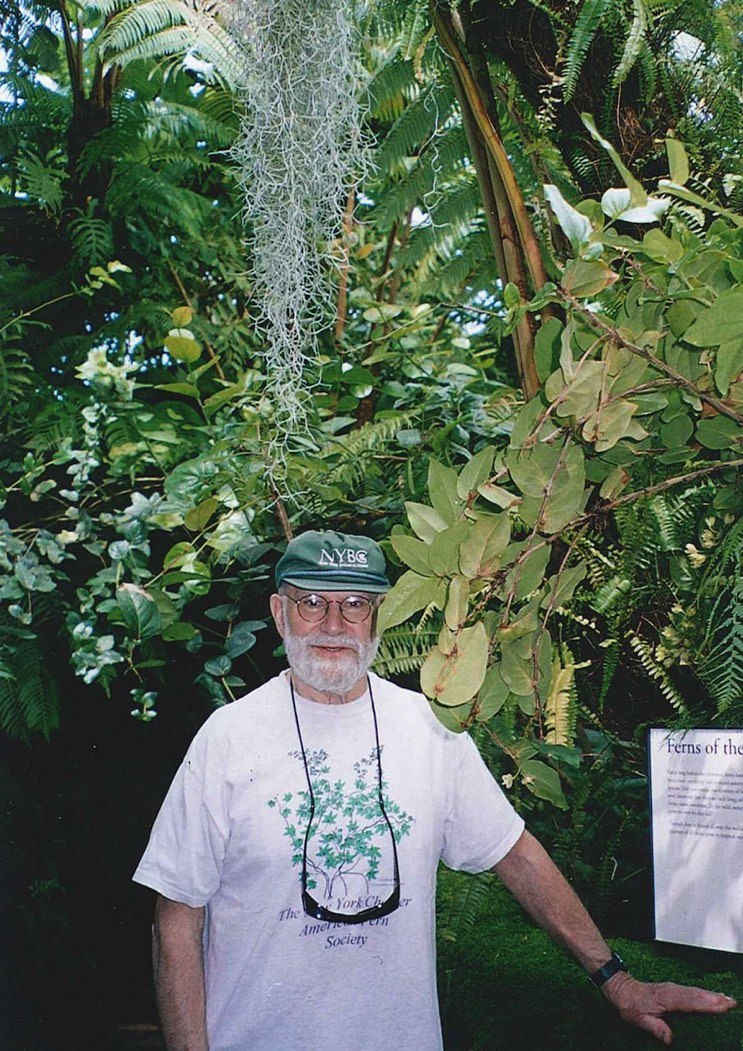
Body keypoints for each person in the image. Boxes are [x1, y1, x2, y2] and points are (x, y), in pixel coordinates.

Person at [134, 530, 736, 1051]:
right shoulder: (228, 738)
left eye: (355, 605)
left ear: (378, 616)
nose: (334, 625)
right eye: (312, 603)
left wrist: (617, 980)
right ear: (279, 611)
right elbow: (176, 919)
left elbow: (516, 853)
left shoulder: (428, 724)